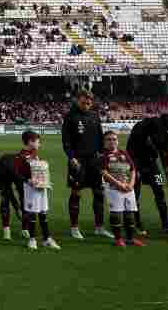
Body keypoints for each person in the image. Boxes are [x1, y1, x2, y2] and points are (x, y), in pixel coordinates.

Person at [61, 90, 107, 240]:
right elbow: (66, 141)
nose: (86, 104)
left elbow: (100, 137)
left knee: (99, 192)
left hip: (94, 160)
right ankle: (74, 227)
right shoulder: (70, 117)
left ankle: (99, 227)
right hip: (78, 161)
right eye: (83, 102)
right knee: (76, 193)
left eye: (89, 102)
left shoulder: (95, 116)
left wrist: (102, 154)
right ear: (77, 100)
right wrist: (71, 157)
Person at [126, 113, 168, 235]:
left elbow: (163, 154)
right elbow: (130, 148)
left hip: (152, 165)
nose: (167, 130)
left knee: (158, 192)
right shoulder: (141, 126)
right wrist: (133, 169)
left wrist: (167, 173)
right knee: (140, 194)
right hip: (138, 164)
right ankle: (138, 225)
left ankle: (163, 225)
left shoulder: (163, 133)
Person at [15, 130, 60, 250]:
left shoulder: (35, 154)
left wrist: (46, 182)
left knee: (43, 213)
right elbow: (18, 173)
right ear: (30, 142)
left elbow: (40, 171)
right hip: (30, 189)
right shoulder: (22, 156)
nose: (39, 144)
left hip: (41, 187)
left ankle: (47, 239)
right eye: (37, 142)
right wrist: (28, 181)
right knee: (32, 213)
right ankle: (32, 239)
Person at [100, 131, 142, 248]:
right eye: (109, 139)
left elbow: (133, 169)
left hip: (128, 188)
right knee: (116, 214)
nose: (112, 141)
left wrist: (132, 184)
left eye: (114, 139)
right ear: (104, 142)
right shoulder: (103, 155)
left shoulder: (123, 153)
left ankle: (130, 238)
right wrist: (119, 184)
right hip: (113, 189)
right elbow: (104, 172)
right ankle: (118, 239)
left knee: (130, 215)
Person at [0, 153, 24, 241]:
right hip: (3, 167)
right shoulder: (14, 171)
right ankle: (7, 230)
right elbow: (9, 192)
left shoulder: (20, 169)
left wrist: (18, 209)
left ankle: (25, 228)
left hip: (7, 166)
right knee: (5, 198)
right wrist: (17, 208)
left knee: (23, 197)